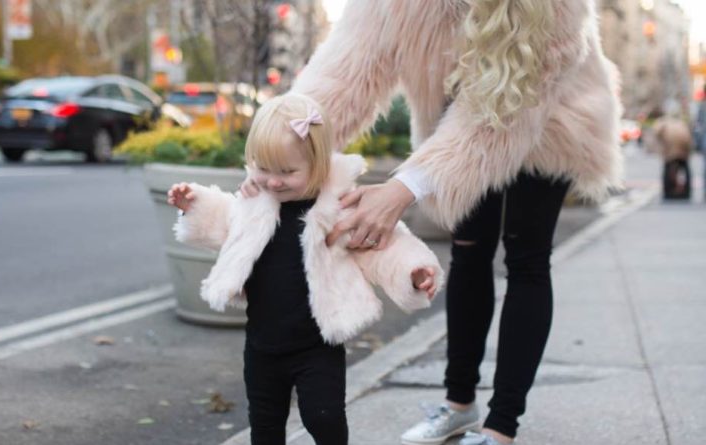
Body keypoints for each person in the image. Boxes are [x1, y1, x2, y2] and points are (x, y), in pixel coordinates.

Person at [241, 1, 622, 444]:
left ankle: (501, 426)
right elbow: (342, 77)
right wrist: (268, 163)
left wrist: (402, 188)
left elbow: (500, 118)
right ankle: (459, 405)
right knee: (468, 251)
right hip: (458, 113)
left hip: (553, 112)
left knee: (527, 257)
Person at [168, 93, 443, 445]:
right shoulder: (254, 203)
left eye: (287, 172)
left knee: (324, 421)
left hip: (317, 346)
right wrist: (194, 204)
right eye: (264, 168)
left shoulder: (338, 209)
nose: (274, 181)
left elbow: (383, 245)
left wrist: (414, 270)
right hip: (262, 345)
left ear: (318, 165)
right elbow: (224, 220)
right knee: (265, 427)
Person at [652, 114, 692, 200]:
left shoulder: (662, 122)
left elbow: (657, 133)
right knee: (684, 166)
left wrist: (663, 152)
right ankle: (687, 191)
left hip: (672, 145)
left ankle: (668, 191)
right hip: (684, 143)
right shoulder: (680, 123)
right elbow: (688, 138)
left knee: (668, 167)